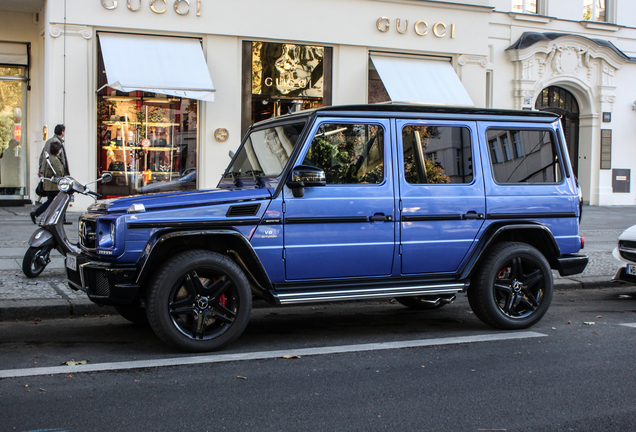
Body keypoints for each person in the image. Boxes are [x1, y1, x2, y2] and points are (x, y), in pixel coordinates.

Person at [31, 141, 65, 224]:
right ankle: (39, 214)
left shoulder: (49, 158)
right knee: (59, 202)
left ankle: (38, 214)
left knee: (50, 202)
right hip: (54, 186)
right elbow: (59, 173)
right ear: (58, 150)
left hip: (48, 185)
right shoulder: (55, 160)